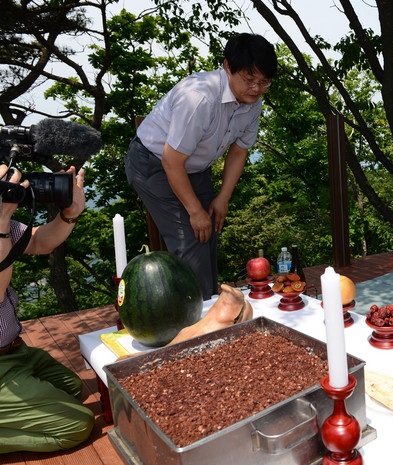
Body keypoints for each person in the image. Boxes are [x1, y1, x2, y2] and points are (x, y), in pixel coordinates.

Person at [125, 33, 278, 300]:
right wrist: (194, 211)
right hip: (153, 163)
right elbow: (171, 161)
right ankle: (198, 316)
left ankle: (207, 303)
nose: (256, 89)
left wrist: (223, 197)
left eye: (264, 82)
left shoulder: (253, 103)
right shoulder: (199, 97)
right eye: (249, 79)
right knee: (192, 239)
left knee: (210, 233)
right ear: (227, 66)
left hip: (193, 168)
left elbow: (239, 151)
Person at [0, 165, 94, 453]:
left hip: (14, 352)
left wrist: (70, 214)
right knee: (76, 425)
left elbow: (40, 241)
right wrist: (1, 218)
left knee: (72, 388)